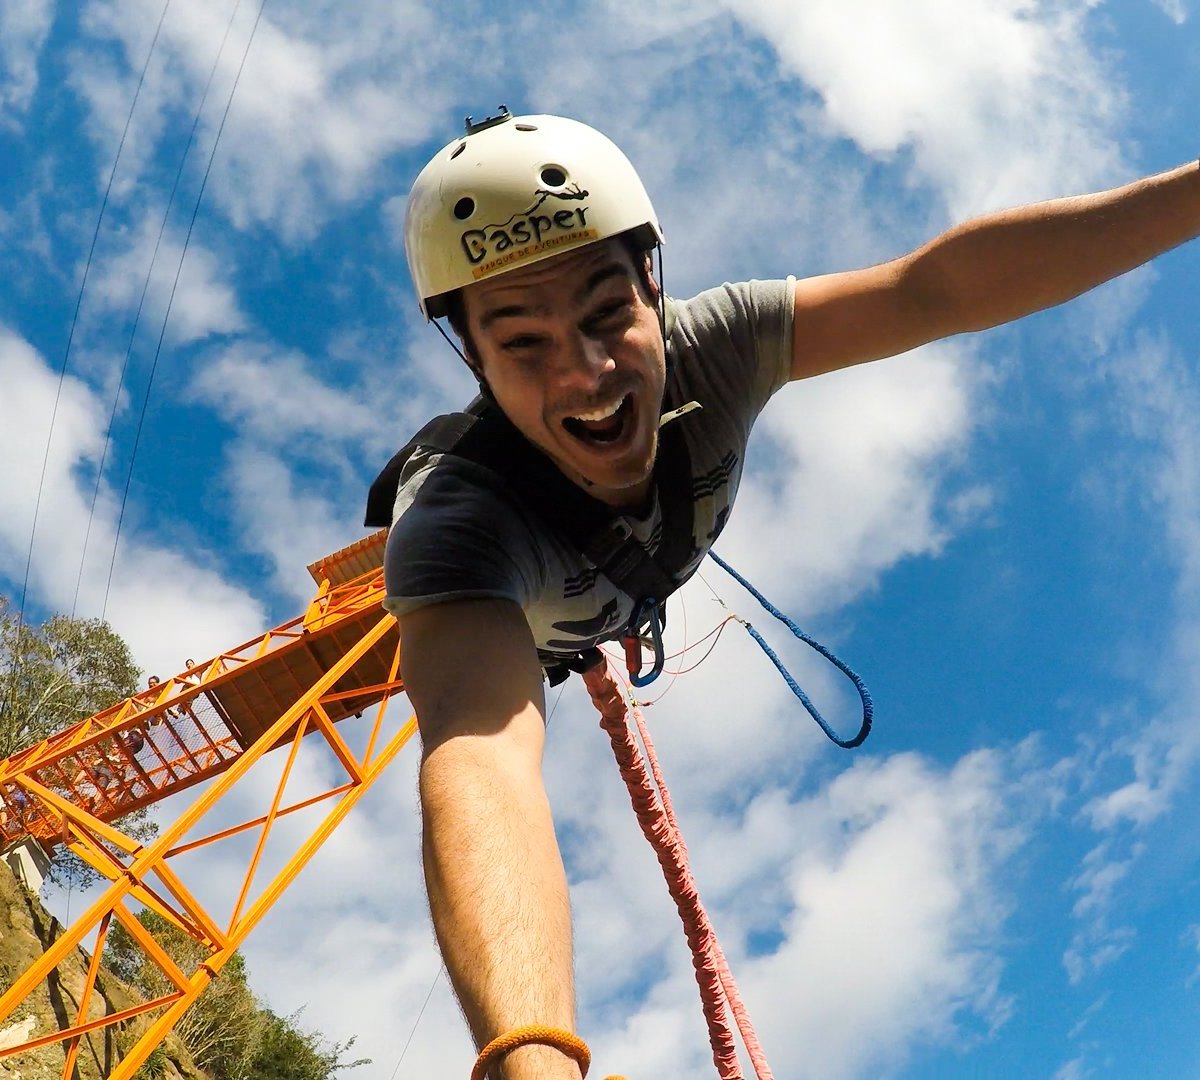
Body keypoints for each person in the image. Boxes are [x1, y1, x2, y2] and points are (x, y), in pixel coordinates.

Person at [375, 108, 1200, 1078]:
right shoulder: (460, 523)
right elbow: (481, 760)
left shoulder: (723, 345)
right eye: (522, 342)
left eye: (607, 316)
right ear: (473, 360)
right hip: (524, 615)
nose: (588, 374)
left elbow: (931, 288)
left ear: (654, 284)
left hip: (593, 600)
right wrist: (531, 1058)